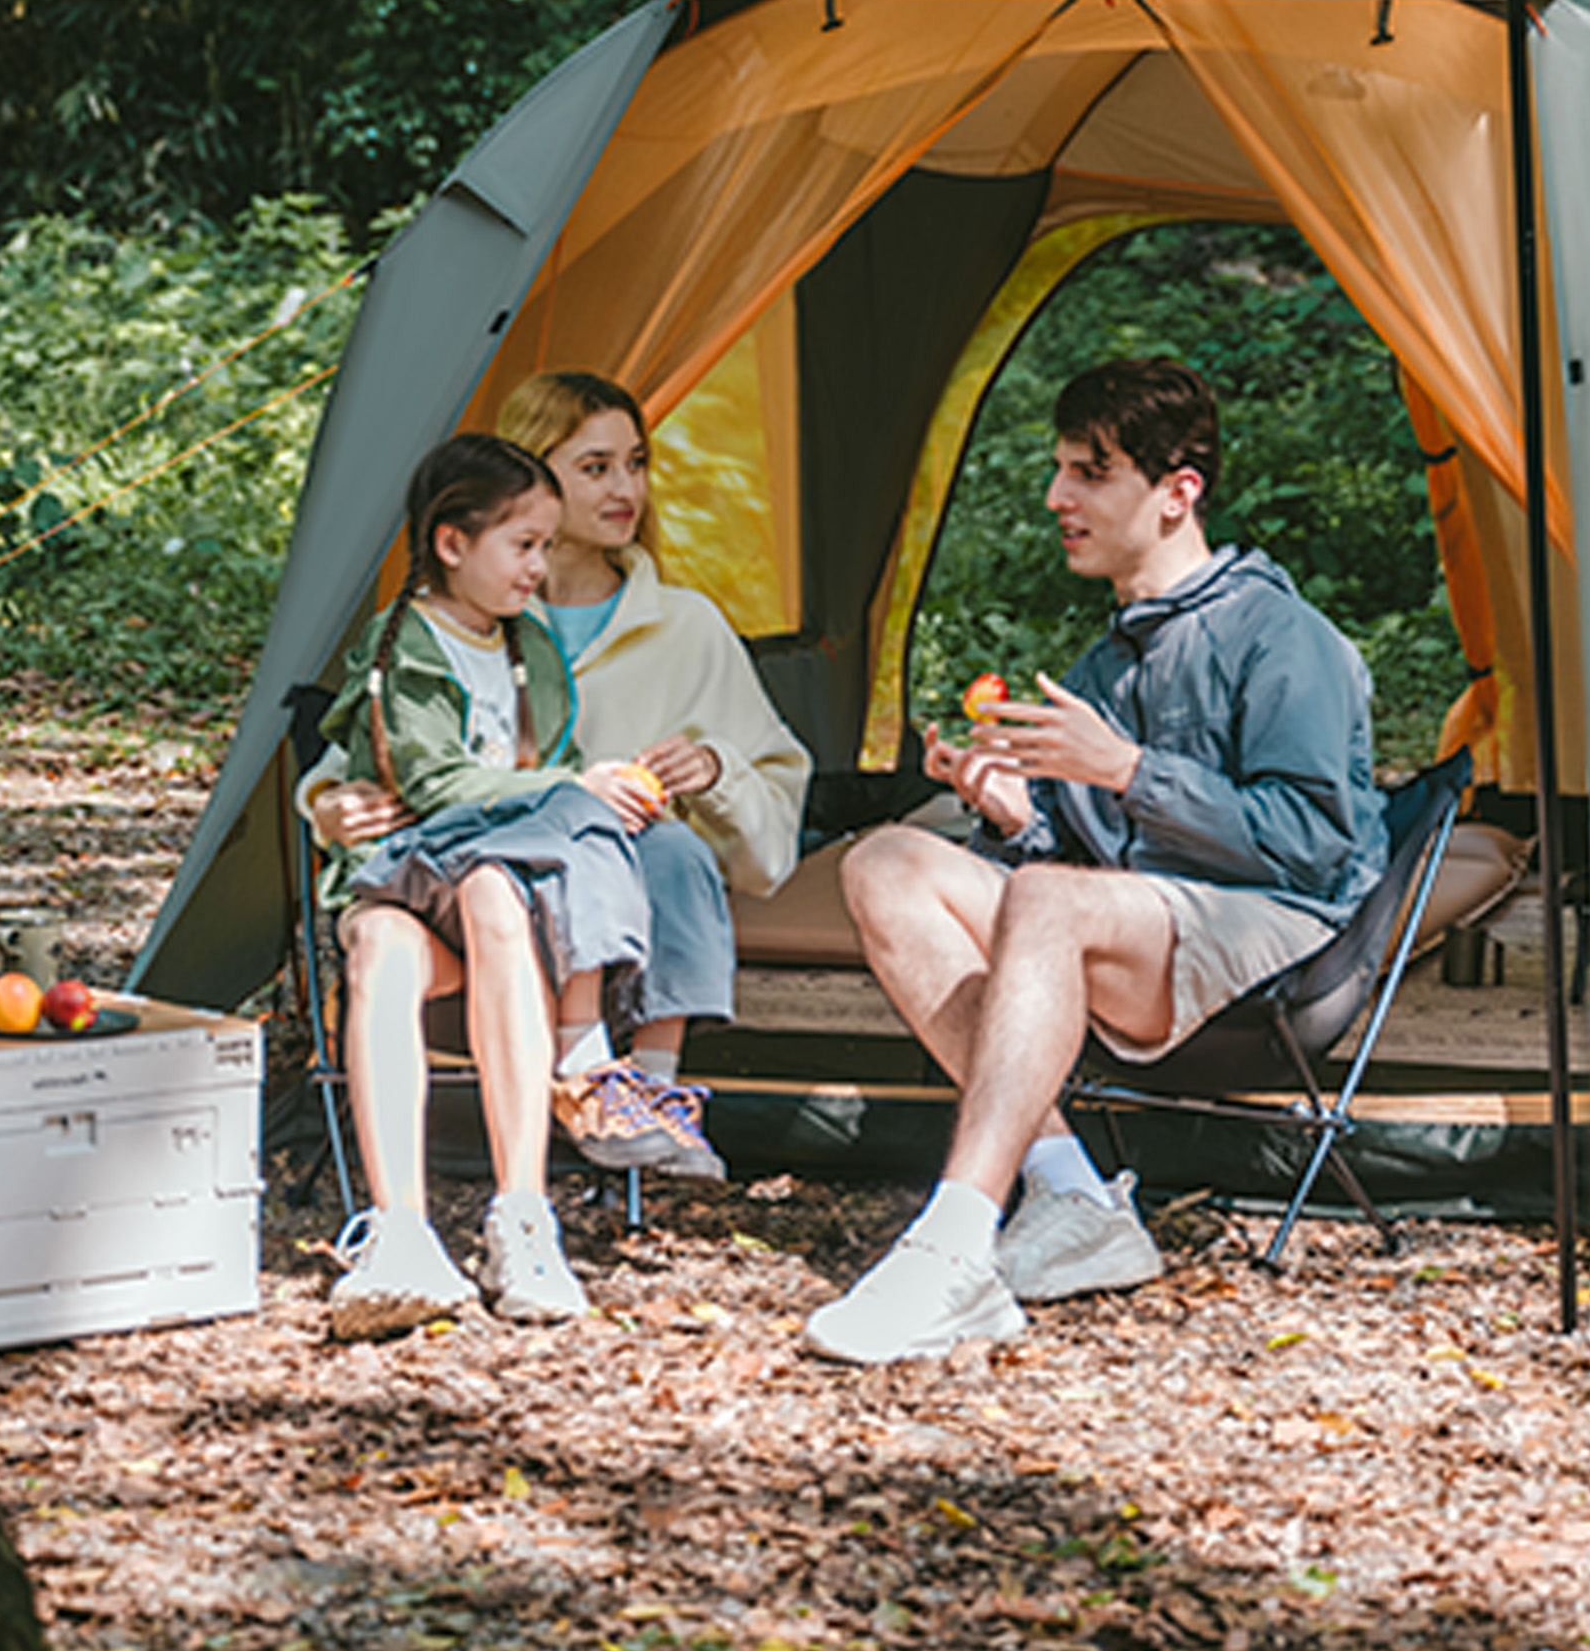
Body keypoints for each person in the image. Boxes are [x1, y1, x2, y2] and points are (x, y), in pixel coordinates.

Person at [805, 355, 1388, 1366]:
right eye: (1060, 468)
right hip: (1145, 924)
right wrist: (1014, 812)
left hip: (1279, 935)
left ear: (1177, 493)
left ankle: (953, 1249)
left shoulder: (1284, 635)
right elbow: (1074, 864)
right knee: (888, 862)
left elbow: (1310, 841)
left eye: (1088, 471)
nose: (1055, 497)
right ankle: (1076, 1199)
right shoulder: (1107, 664)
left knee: (1051, 901)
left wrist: (1128, 770)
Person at [306, 434, 728, 1338]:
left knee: (527, 880)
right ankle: (401, 1229)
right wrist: (570, 789)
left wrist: (583, 791)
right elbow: (432, 785)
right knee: (386, 936)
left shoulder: (528, 643)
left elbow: (552, 768)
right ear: (453, 543)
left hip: (498, 888)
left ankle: (522, 1217)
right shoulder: (408, 644)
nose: (541, 566)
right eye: (524, 546)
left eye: (545, 545)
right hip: (417, 872)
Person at [494, 369, 812, 1177]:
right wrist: (331, 801)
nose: (626, 487)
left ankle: (648, 1099)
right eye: (595, 467)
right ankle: (593, 1081)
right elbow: (366, 756)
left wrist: (715, 770)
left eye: (635, 463)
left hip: (638, 890)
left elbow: (774, 821)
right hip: (506, 875)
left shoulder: (687, 626)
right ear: (534, 476)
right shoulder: (476, 613)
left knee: (673, 847)